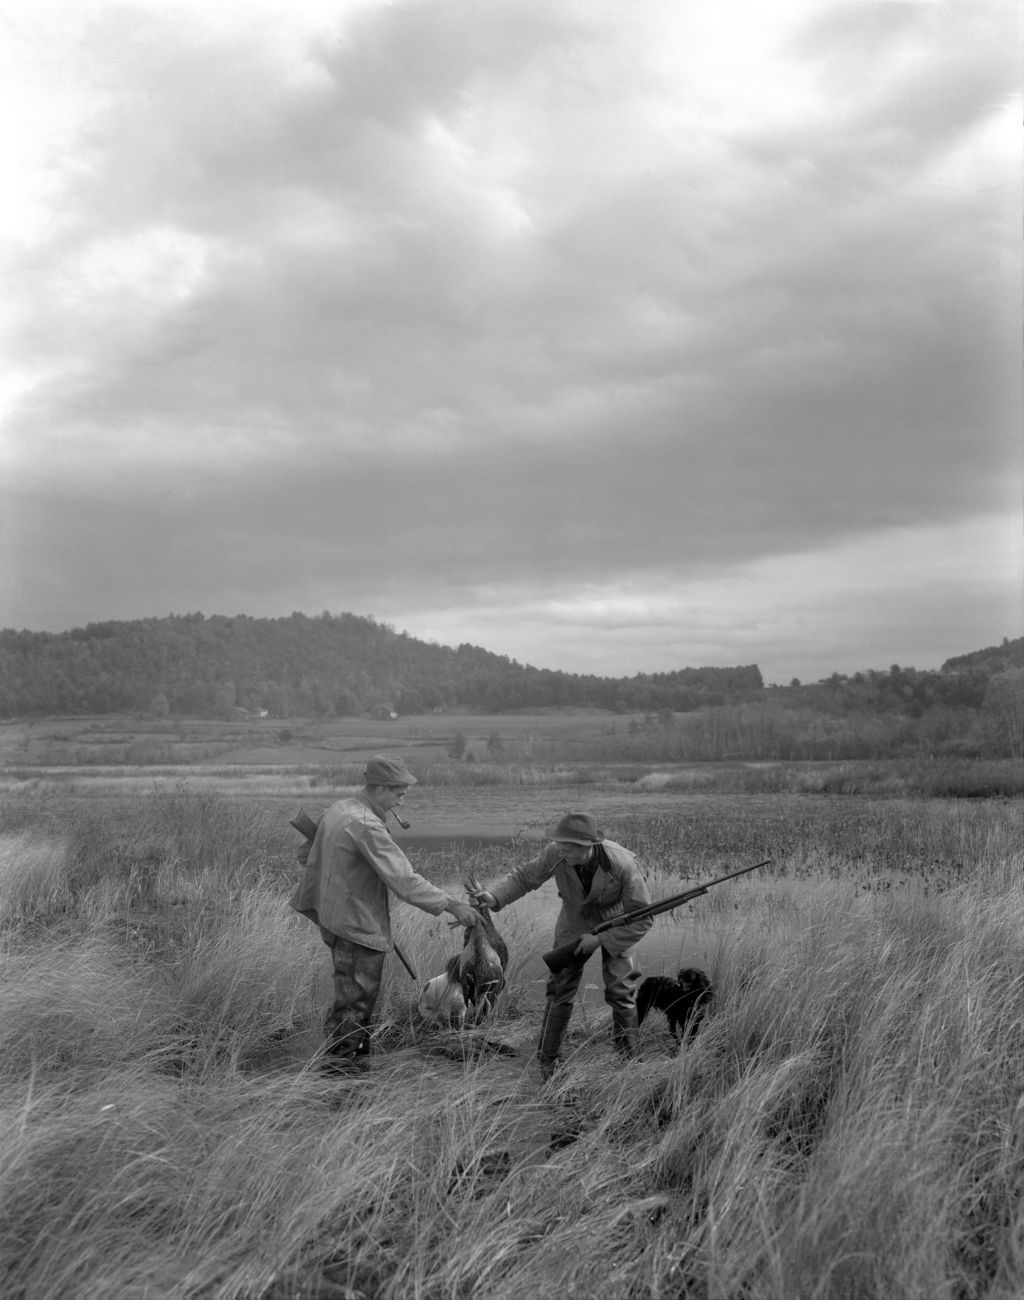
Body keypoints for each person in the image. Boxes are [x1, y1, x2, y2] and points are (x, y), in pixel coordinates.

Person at [290, 753, 480, 1073]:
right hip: (355, 923)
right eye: (398, 794)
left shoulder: (339, 809)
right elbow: (405, 882)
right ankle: (343, 1073)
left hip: (335, 917)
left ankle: (351, 1064)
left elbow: (304, 855)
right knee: (356, 1001)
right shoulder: (366, 824)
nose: (401, 802)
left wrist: (348, 874)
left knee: (350, 995)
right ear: (380, 789)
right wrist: (453, 904)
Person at [469, 811, 653, 1079]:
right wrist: (494, 897)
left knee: (621, 989)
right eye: (560, 846)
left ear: (588, 847)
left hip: (617, 921)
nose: (561, 852)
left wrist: (600, 939)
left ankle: (628, 1058)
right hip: (574, 919)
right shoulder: (557, 852)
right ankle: (548, 1059)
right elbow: (524, 877)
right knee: (560, 987)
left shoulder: (622, 863)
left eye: (568, 848)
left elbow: (643, 917)